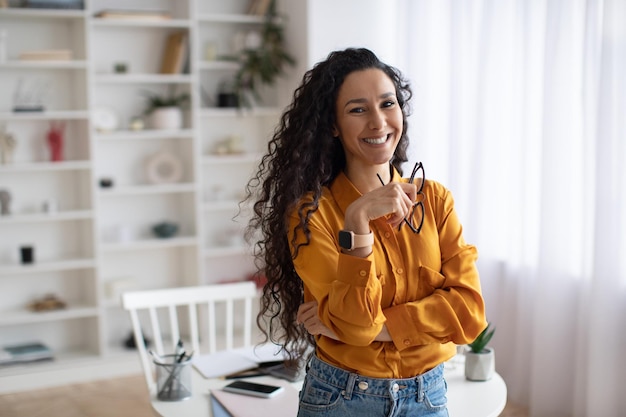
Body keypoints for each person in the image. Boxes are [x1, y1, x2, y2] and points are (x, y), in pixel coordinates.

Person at [245, 47, 487, 417]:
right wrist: (357, 220)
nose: (378, 122)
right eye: (358, 110)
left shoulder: (435, 201)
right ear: (333, 125)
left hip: (428, 396)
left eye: (387, 104)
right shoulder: (312, 216)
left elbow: (469, 313)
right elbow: (359, 326)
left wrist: (353, 327)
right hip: (342, 397)